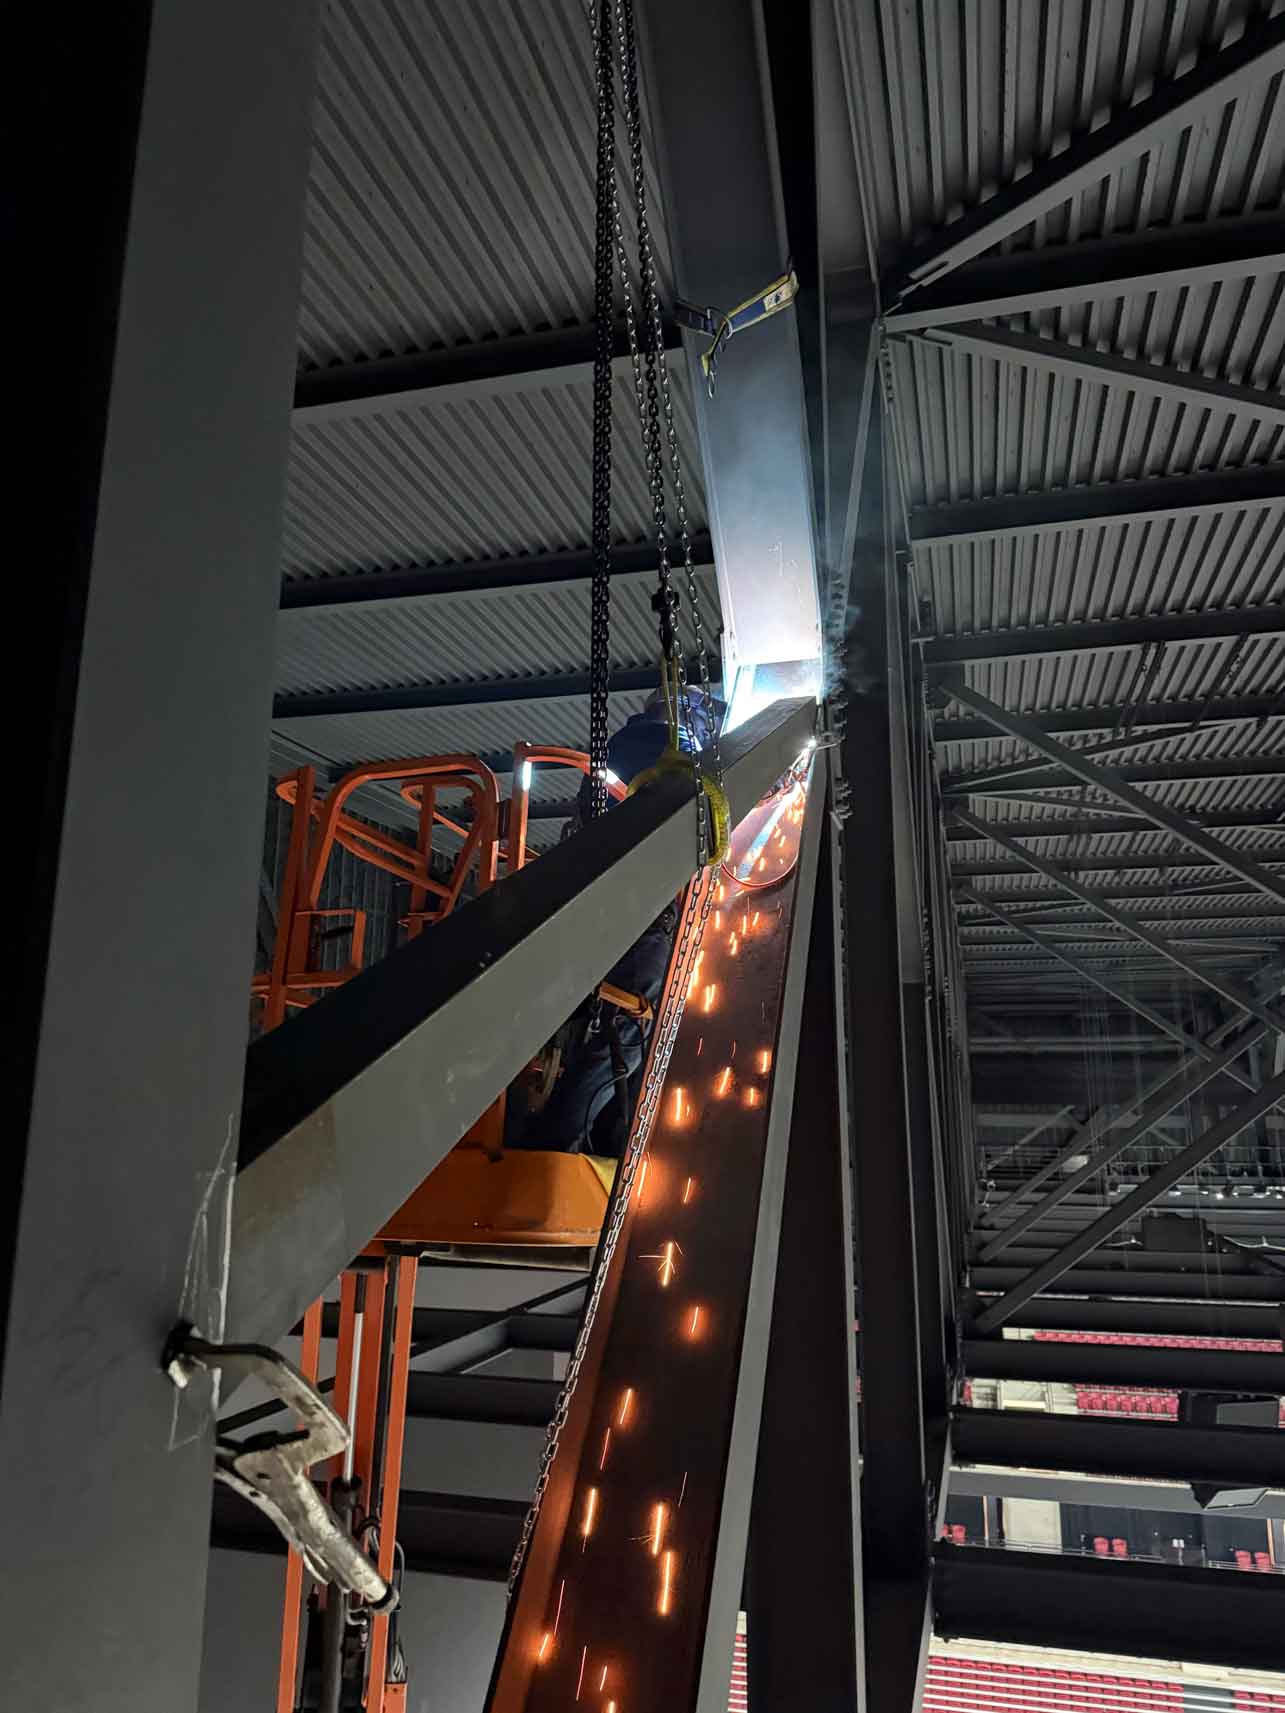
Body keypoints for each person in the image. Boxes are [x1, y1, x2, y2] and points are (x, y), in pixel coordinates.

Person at [513, 685, 723, 1156]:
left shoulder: (617, 760)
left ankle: (559, 1134)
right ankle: (557, 1148)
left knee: (602, 1033)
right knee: (626, 1037)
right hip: (630, 916)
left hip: (586, 910)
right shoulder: (673, 764)